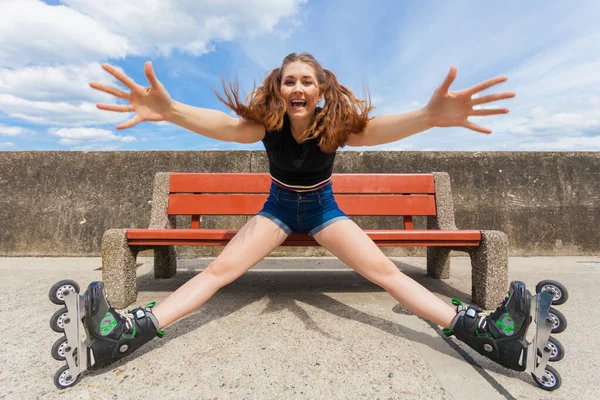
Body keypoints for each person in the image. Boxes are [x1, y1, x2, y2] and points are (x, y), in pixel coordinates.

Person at [87, 52, 524, 372]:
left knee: (387, 273)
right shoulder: (268, 127)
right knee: (219, 272)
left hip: (322, 211)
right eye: (290, 80)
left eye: (307, 81)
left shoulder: (334, 127)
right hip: (277, 211)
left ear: (320, 89)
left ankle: (485, 334)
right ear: (279, 88)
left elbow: (378, 130)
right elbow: (222, 127)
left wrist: (429, 115)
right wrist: (171, 110)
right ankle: (128, 333)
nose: (298, 88)